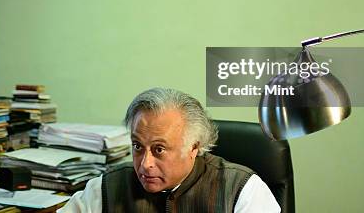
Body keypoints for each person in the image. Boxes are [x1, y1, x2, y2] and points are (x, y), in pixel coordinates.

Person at [59, 88, 280, 212]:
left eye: (159, 149)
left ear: (194, 148)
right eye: (137, 146)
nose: (145, 164)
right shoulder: (107, 187)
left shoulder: (242, 190)